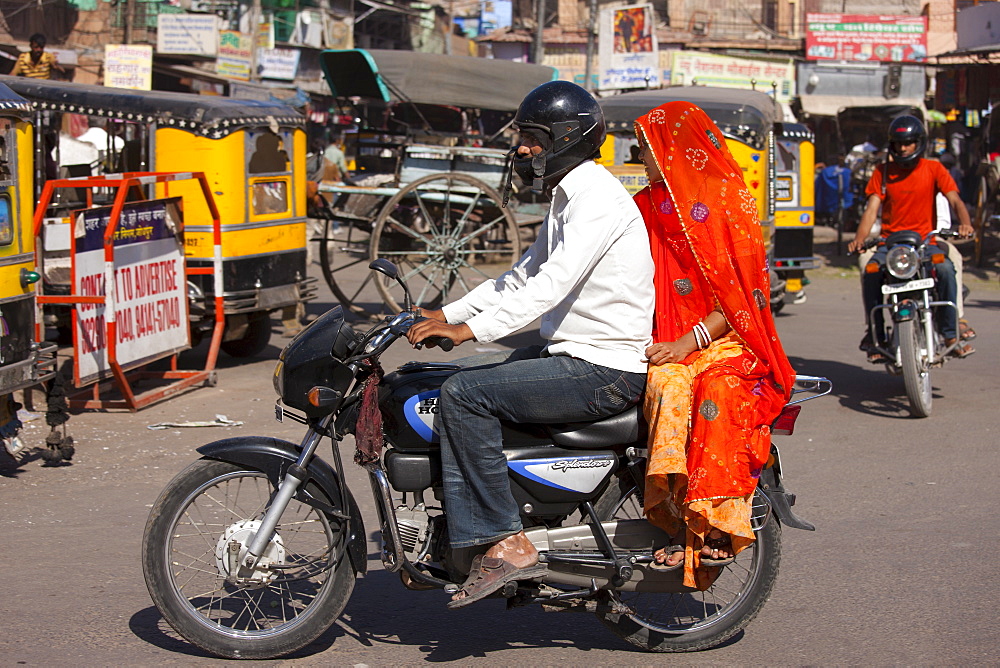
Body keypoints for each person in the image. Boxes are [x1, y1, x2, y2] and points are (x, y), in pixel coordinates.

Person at [406, 81, 655, 609]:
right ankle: (499, 512)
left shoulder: (597, 200)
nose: (521, 148)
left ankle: (505, 540)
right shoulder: (571, 196)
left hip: (603, 368)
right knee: (441, 381)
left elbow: (549, 286)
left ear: (566, 137)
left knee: (465, 395)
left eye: (533, 138)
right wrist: (444, 314)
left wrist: (470, 331)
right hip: (573, 355)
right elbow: (519, 277)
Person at [631, 101, 796, 589]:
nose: (641, 159)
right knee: (668, 389)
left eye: (646, 149)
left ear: (673, 148)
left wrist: (689, 340)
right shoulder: (642, 206)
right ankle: (681, 521)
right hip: (667, 342)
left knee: (718, 393)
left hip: (725, 338)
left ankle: (721, 522)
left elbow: (743, 298)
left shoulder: (724, 203)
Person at [847, 115, 975, 361]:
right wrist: (859, 239)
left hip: (926, 242)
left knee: (946, 269)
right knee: (870, 270)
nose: (903, 148)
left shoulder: (934, 168)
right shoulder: (882, 172)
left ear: (919, 143)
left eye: (908, 143)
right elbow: (871, 210)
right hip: (889, 243)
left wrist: (966, 224)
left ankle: (950, 333)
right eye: (898, 144)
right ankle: (875, 335)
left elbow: (955, 200)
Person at [815, 154, 854, 226]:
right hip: (844, 201)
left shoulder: (825, 172)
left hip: (827, 202)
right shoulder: (847, 172)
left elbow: (817, 186)